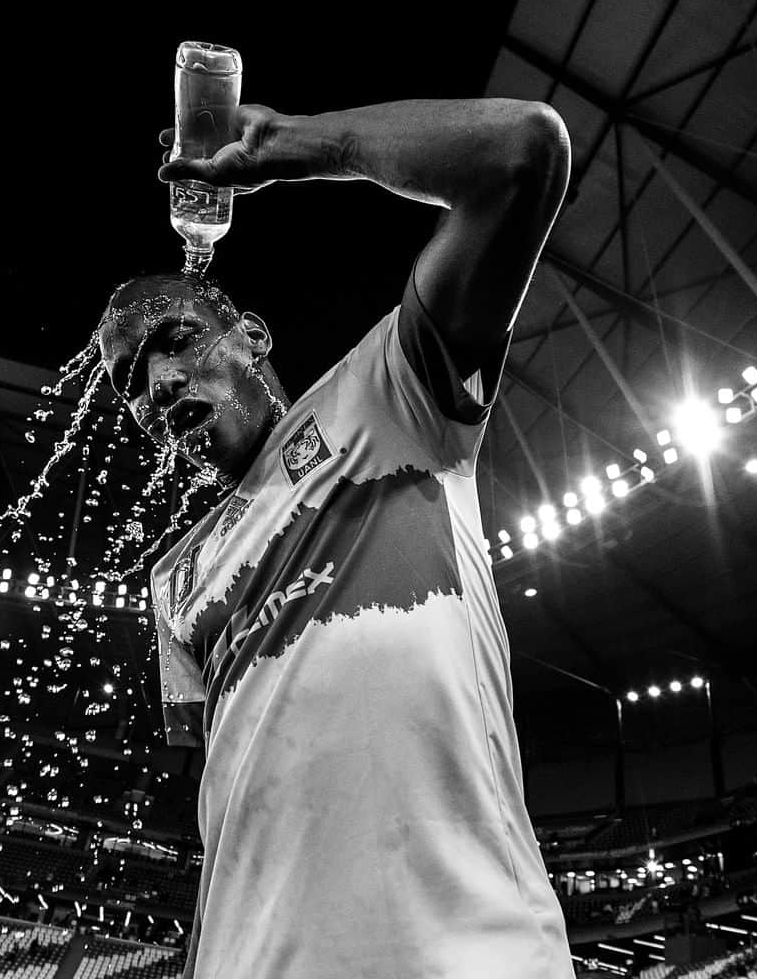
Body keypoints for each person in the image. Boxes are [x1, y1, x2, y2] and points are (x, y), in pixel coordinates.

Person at [99, 97, 571, 978]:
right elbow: (226, 813)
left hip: (456, 952)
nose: (161, 382)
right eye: (133, 381)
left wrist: (294, 147)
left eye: (176, 339)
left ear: (251, 335)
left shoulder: (389, 391)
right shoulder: (172, 583)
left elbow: (521, 154)